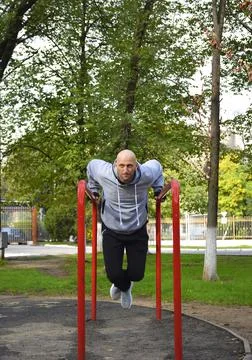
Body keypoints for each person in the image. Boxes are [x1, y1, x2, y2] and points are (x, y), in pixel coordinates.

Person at [87, 149, 164, 309]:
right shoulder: (105, 172)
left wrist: (158, 188)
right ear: (115, 164)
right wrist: (93, 189)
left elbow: (157, 166)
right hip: (112, 230)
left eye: (129, 166)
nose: (125, 170)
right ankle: (124, 287)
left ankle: (125, 285)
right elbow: (91, 166)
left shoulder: (146, 174)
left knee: (137, 274)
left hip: (137, 229)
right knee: (113, 274)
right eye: (121, 165)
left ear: (136, 166)